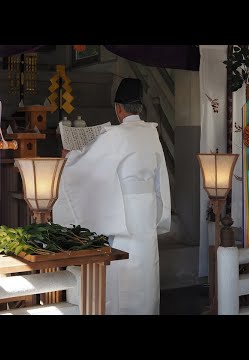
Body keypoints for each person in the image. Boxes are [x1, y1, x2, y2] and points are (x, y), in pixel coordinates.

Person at [53, 78, 171, 315]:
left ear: (119, 108)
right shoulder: (152, 133)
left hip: (125, 209)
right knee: (146, 265)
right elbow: (162, 179)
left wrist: (68, 158)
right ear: (140, 106)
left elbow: (88, 166)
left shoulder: (116, 134)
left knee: (123, 267)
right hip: (147, 208)